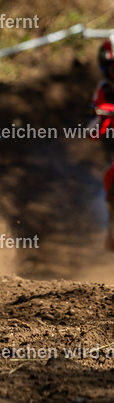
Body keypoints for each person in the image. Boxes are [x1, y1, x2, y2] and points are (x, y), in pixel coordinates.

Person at [89, 36, 114, 250]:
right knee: (110, 176)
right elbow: (93, 130)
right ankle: (112, 228)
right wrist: (101, 119)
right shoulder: (105, 89)